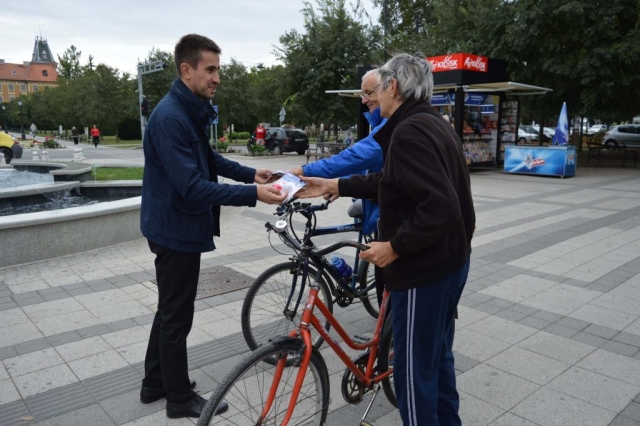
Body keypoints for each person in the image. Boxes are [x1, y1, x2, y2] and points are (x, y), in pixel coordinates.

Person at [297, 53, 475, 426]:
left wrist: (394, 247)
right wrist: (337, 185)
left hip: (423, 273)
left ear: (393, 86)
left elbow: (441, 208)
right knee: (437, 359)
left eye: (376, 88)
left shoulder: (409, 132)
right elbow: (394, 182)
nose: (372, 98)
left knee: (412, 375)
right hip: (450, 264)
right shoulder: (431, 123)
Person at [139, 34, 286, 420]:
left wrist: (253, 175)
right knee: (177, 316)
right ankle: (178, 400)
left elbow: (210, 160)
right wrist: (255, 196)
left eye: (218, 69)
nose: (217, 77)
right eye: (211, 69)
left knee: (169, 309)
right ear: (186, 70)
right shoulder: (171, 117)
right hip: (175, 228)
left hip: (174, 225)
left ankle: (155, 382)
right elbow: (191, 186)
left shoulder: (186, 110)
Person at [290, 68, 387, 306]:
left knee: (389, 284)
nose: (364, 101)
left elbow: (352, 157)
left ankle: (388, 335)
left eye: (368, 93)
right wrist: (340, 186)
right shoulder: (381, 124)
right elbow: (366, 167)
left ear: (390, 89)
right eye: (361, 94)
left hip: (390, 215)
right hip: (380, 207)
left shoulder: (392, 127)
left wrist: (305, 171)